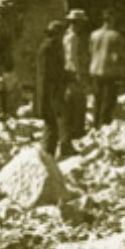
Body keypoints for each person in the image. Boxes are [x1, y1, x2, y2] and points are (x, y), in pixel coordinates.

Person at [34, 19, 71, 158]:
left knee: (53, 125)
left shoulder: (52, 47)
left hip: (53, 92)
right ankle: (46, 156)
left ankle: (48, 155)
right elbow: (46, 75)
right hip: (48, 93)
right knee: (51, 125)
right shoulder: (48, 48)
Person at [61, 9, 92, 150]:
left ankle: (73, 132)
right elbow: (71, 58)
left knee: (75, 102)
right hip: (71, 74)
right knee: (78, 101)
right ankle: (75, 133)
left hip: (69, 73)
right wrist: (78, 75)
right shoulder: (72, 37)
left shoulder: (68, 35)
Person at [89, 12, 125, 129]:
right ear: (111, 20)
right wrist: (121, 72)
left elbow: (90, 51)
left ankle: (95, 123)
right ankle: (104, 123)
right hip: (109, 71)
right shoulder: (115, 36)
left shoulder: (94, 34)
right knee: (108, 99)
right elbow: (116, 56)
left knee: (97, 98)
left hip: (95, 69)